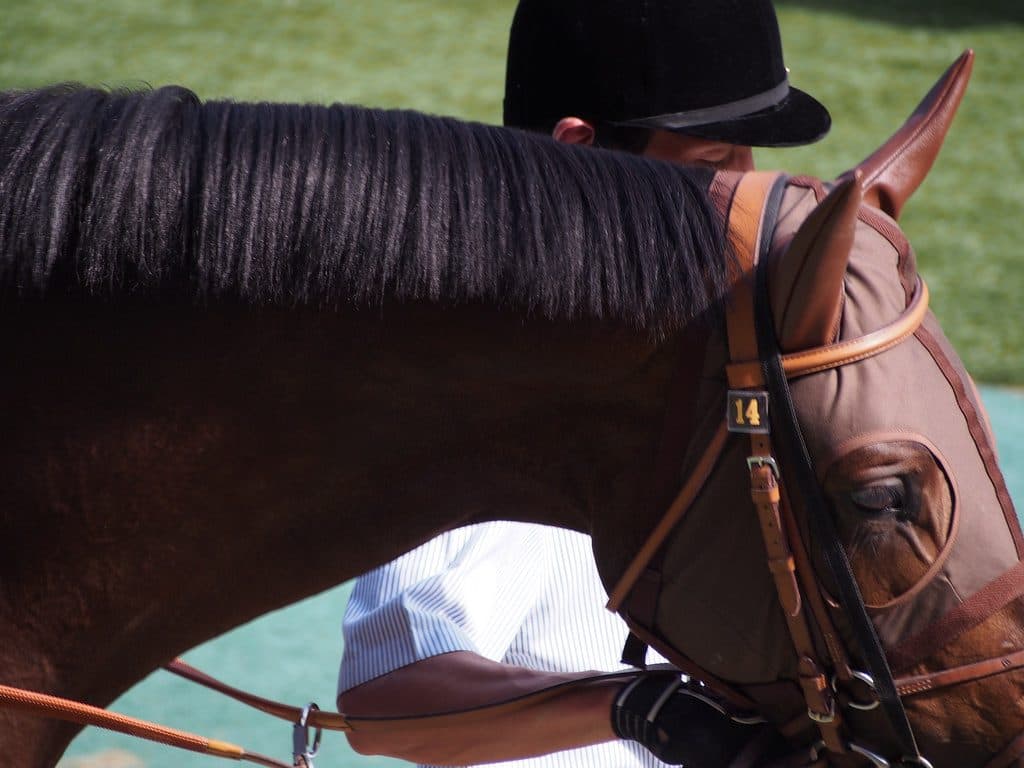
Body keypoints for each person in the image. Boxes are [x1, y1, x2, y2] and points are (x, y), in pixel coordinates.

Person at [338, 1, 831, 765]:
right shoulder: (491, 388)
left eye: (749, 160)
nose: (747, 197)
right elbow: (391, 700)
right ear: (579, 154)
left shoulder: (700, 341)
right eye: (712, 166)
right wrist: (640, 707)